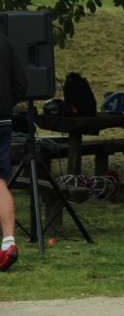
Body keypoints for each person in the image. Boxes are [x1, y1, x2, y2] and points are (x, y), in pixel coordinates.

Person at [0, 33, 27, 272]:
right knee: (0, 181)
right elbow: (21, 85)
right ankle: (8, 241)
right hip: (4, 120)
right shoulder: (6, 42)